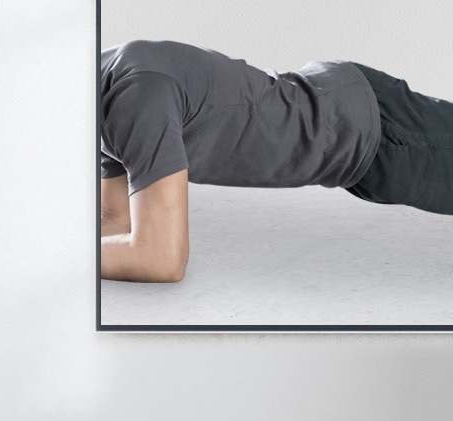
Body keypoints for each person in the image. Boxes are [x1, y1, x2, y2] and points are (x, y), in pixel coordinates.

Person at [98, 39, 453, 282]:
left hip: (372, 133)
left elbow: (163, 258)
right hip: (350, 135)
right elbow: (117, 221)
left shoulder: (136, 96)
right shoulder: (102, 93)